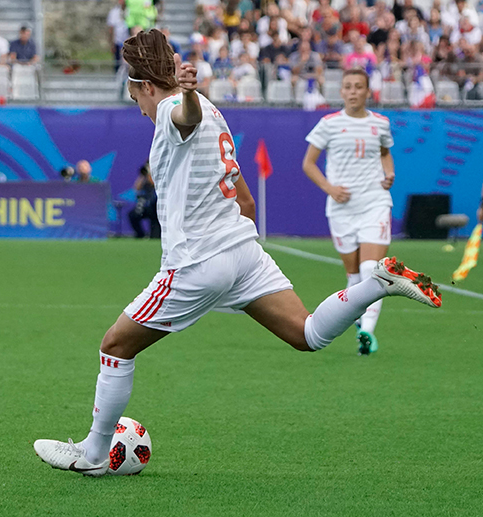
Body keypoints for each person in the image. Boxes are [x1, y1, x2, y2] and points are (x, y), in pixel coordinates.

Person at [32, 29, 441, 476]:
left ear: (145, 86)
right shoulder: (211, 108)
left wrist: (183, 95)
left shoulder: (176, 108)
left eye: (137, 99)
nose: (141, 108)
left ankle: (93, 455)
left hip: (197, 261)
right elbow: (244, 199)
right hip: (242, 250)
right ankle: (376, 283)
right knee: (306, 334)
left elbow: (178, 117)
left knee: (115, 345)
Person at [302, 69, 396, 356]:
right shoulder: (328, 124)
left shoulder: (380, 123)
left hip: (374, 202)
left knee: (372, 271)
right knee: (354, 276)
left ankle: (367, 331)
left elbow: (384, 152)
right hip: (342, 208)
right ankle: (356, 317)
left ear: (368, 91)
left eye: (359, 87)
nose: (353, 91)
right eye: (348, 87)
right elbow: (308, 164)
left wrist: (389, 172)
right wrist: (330, 189)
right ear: (341, 92)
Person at [128, 161, 159, 238]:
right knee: (133, 215)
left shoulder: (157, 175)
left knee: (155, 236)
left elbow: (153, 183)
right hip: (146, 206)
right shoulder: (145, 179)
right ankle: (140, 234)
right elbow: (136, 188)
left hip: (155, 207)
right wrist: (142, 175)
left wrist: (150, 174)